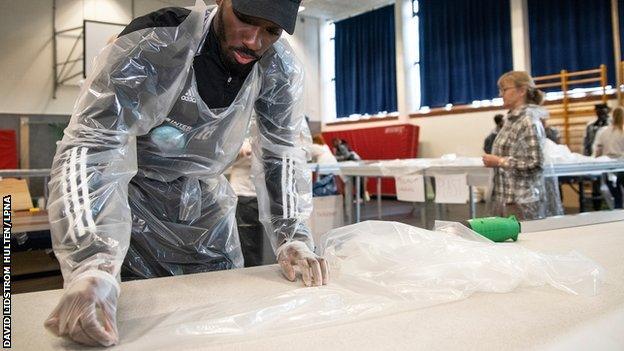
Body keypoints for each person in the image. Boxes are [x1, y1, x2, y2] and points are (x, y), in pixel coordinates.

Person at [44, 0, 329, 347]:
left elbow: (281, 153)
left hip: (205, 216)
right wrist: (91, 260)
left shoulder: (278, 68)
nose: (254, 41)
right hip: (128, 216)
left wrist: (293, 235)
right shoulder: (157, 41)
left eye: (271, 31)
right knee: (138, 334)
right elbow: (91, 145)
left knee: (223, 328)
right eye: (246, 21)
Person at [482, 71, 547, 220]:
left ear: (522, 91)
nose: (501, 94)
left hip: (522, 201)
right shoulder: (510, 120)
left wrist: (499, 161)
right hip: (506, 197)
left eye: (504, 90)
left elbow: (536, 163)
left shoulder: (528, 121)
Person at [593, 107, 624, 208]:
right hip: (621, 165)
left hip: (607, 165)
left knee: (616, 195)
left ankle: (617, 211)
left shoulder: (604, 132)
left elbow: (598, 150)